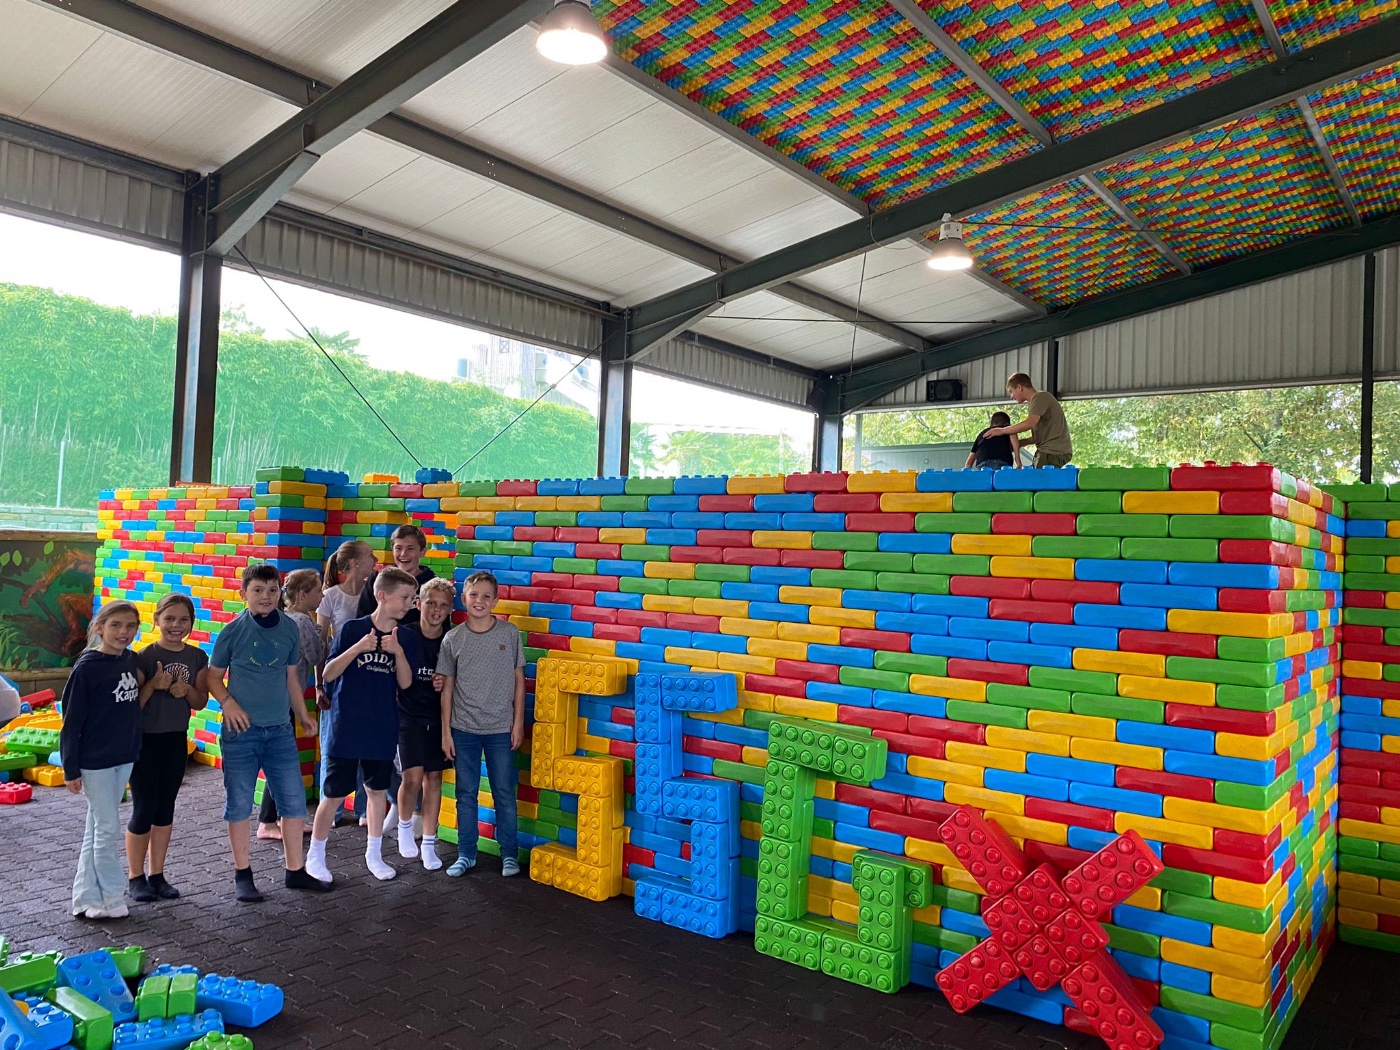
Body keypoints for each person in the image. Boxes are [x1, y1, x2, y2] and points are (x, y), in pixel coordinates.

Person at [208, 564, 328, 902]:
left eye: (272, 590)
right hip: (241, 732)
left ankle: (295, 871)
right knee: (239, 804)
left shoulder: (289, 628)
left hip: (279, 731)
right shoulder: (232, 632)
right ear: (243, 593)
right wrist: (228, 704)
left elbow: (291, 677)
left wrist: (303, 715)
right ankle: (243, 874)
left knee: (294, 803)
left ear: (281, 593)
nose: (266, 596)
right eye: (258, 590)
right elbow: (213, 678)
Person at [306, 568, 419, 883]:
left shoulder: (404, 636)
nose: (409, 604)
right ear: (382, 596)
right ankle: (315, 855)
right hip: (347, 725)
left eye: (412, 598)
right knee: (333, 793)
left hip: (382, 726)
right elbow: (328, 673)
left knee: (376, 791)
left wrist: (398, 653)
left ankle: (374, 854)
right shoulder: (353, 629)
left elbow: (406, 684)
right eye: (404, 598)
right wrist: (358, 648)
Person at [60, 600, 145, 920]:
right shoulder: (86, 668)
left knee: (96, 827)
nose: (124, 632)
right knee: (108, 829)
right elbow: (71, 722)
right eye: (116, 625)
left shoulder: (129, 659)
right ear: (99, 627)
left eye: (130, 626)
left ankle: (85, 898)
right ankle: (111, 897)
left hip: (124, 756)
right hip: (95, 761)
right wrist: (70, 768)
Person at [439, 571, 525, 878]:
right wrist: (446, 732)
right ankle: (466, 854)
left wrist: (518, 723)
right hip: (463, 729)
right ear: (464, 599)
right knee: (466, 794)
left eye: (487, 596)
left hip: (501, 729)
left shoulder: (509, 634)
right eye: (474, 595)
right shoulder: (453, 639)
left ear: (496, 601)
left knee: (504, 793)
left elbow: (519, 681)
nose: (480, 601)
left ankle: (509, 854)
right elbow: (447, 689)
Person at [127, 593, 208, 903]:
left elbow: (200, 702)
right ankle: (136, 877)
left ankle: (157, 874)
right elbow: (131, 706)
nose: (176, 625)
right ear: (156, 620)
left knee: (165, 808)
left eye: (184, 619)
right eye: (170, 618)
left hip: (175, 740)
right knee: (143, 807)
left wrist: (186, 689)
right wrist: (152, 685)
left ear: (191, 623)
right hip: (145, 741)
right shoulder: (142, 657)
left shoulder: (197, 656)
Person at [256, 569, 325, 841]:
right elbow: (317, 655)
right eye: (318, 591)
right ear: (303, 594)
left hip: (271, 695)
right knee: (282, 760)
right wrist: (322, 633)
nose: (321, 596)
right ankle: (267, 821)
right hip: (286, 698)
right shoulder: (303, 621)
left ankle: (279, 817)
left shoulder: (281, 617)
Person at [395, 577, 453, 870]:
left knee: (434, 779)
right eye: (431, 603)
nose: (436, 610)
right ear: (418, 604)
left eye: (443, 605)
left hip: (439, 717)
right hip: (408, 715)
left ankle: (429, 843)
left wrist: (448, 682)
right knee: (412, 778)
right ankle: (405, 828)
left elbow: (460, 679)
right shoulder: (404, 635)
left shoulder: (452, 639)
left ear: (450, 609)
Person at [983, 372, 1073, 468]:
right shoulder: (1035, 402)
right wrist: (1019, 444)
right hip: (1048, 451)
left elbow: (1030, 423)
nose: (1011, 396)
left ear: (1019, 387)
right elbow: (1038, 437)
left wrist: (1002, 431)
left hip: (1052, 451)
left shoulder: (1040, 397)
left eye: (1011, 391)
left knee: (1038, 477)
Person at [356, 525, 437, 624]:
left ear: (422, 552)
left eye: (410, 549)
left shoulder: (434, 586)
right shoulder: (376, 579)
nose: (403, 554)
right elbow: (362, 620)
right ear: (392, 550)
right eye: (398, 548)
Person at [318, 540, 375, 645]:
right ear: (355, 563)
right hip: (341, 653)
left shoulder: (375, 592)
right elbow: (321, 639)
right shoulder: (330, 595)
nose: (376, 560)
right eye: (370, 555)